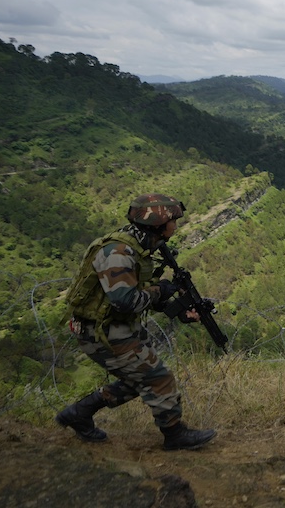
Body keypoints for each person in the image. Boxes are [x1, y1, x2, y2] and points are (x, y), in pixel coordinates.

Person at [56, 193, 217, 450]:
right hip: (101, 332)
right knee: (158, 377)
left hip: (116, 327)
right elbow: (126, 301)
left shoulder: (141, 246)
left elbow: (141, 292)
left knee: (136, 380)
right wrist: (161, 291)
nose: (176, 226)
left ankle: (78, 414)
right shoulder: (118, 252)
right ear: (157, 224)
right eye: (173, 221)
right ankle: (175, 435)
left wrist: (174, 308)